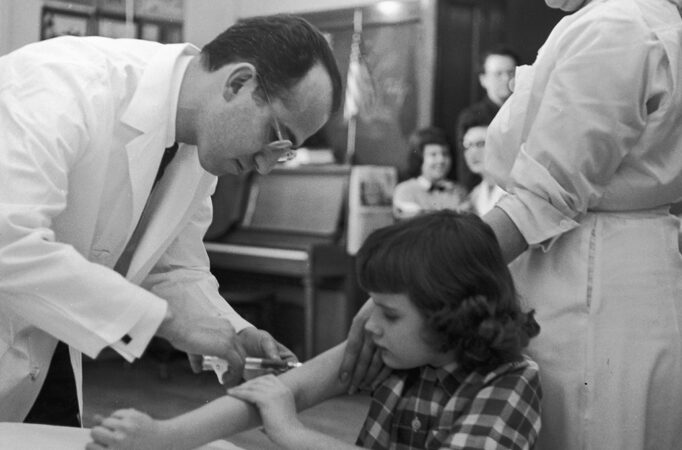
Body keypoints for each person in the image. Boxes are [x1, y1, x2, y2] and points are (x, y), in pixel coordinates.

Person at [343, 0, 682, 448]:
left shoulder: (615, 26)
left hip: (588, 281)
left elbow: (540, 197)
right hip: (602, 262)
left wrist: (421, 281)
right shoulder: (623, 19)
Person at [0, 14, 343, 426]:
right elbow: (8, 243)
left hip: (45, 347)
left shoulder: (199, 144)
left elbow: (173, 269)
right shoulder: (61, 83)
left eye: (284, 152)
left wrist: (230, 334)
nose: (266, 166)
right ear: (238, 83)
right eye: (276, 136)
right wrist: (168, 323)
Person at [87, 211, 542, 450]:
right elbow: (289, 389)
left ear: (450, 314)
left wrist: (292, 434)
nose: (369, 324)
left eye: (390, 313)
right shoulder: (402, 349)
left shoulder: (511, 381)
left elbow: (289, 411)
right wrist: (166, 438)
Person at [455, 45, 519, 192]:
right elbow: (468, 169)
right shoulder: (471, 117)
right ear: (483, 79)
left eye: (511, 72)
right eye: (498, 74)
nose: (506, 79)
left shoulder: (528, 112)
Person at [392, 127, 468, 220]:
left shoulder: (458, 191)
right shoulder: (405, 190)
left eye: (445, 154)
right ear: (419, 158)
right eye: (433, 154)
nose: (441, 160)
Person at [460, 113, 505, 216]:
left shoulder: (513, 189)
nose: (473, 152)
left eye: (481, 144)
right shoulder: (474, 195)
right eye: (468, 145)